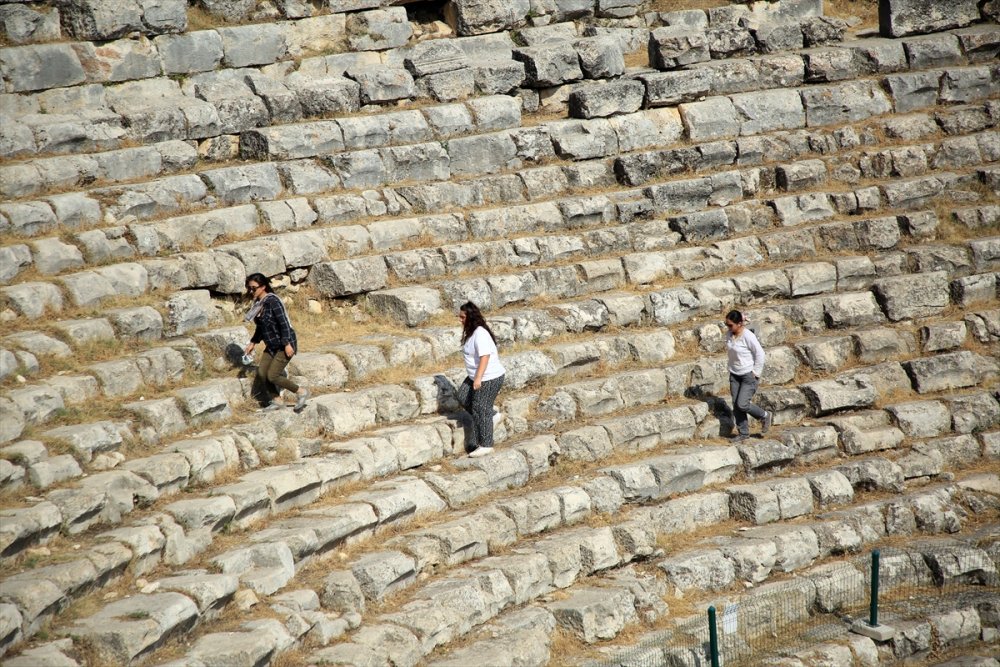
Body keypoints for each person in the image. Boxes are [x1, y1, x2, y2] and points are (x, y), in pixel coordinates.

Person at [243, 273, 310, 412]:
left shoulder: (273, 301)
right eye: (249, 288)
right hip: (272, 345)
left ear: (263, 287)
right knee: (262, 373)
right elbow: (261, 327)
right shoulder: (258, 304)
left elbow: (284, 323)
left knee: (272, 375)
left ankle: (301, 392)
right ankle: (277, 401)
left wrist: (287, 344)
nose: (251, 291)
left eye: (253, 288)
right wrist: (253, 343)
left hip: (285, 343)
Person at [457, 301, 505, 457]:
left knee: (480, 408)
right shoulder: (471, 332)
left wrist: (478, 379)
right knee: (463, 396)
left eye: (462, 317)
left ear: (470, 317)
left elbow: (485, 357)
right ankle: (493, 415)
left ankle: (486, 445)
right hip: (476, 375)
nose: (460, 320)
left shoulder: (480, 333)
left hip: (488, 377)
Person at [724, 309, 771, 442]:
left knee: (742, 404)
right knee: (736, 405)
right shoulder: (729, 334)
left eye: (730, 325)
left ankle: (764, 415)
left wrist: (756, 372)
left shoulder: (748, 336)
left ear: (739, 324)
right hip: (734, 374)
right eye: (726, 324)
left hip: (748, 375)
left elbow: (760, 353)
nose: (728, 327)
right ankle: (743, 434)